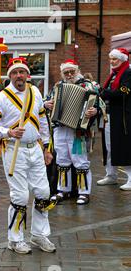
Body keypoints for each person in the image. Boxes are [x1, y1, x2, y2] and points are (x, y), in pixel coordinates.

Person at [0, 57, 56, 254]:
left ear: (27, 75)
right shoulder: (1, 97)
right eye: (15, 72)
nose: (19, 75)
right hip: (12, 150)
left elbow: (43, 121)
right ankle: (15, 239)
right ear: (10, 76)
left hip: (35, 148)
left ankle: (38, 234)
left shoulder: (35, 92)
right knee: (20, 195)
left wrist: (47, 148)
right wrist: (8, 132)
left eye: (22, 72)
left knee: (43, 192)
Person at [45, 59, 98, 205]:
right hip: (60, 128)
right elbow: (48, 101)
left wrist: (94, 110)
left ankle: (84, 192)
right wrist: (46, 104)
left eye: (71, 72)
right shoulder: (58, 87)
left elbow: (98, 105)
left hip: (78, 131)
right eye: (66, 72)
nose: (69, 75)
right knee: (62, 160)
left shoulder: (87, 85)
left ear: (77, 71)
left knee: (80, 161)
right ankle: (63, 190)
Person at [97, 48, 131, 191]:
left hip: (123, 116)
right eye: (110, 59)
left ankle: (130, 178)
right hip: (109, 115)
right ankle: (111, 175)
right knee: (110, 146)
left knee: (125, 146)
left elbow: (125, 91)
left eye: (114, 59)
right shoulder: (113, 74)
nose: (111, 61)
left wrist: (104, 92)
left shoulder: (128, 73)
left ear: (123, 59)